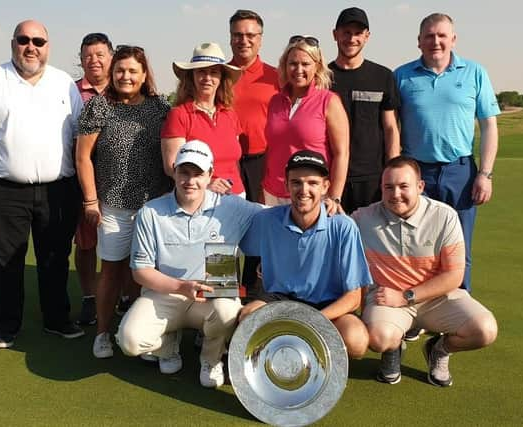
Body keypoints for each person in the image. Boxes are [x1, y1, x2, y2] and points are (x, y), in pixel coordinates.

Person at [0, 20, 85, 348]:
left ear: (47, 46)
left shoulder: (64, 83)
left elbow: (81, 135)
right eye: (24, 40)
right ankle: (7, 325)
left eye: (38, 41)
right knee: (6, 259)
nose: (31, 46)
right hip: (2, 190)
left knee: (55, 258)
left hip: (58, 189)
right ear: (13, 43)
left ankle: (57, 320)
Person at [116, 140, 263, 388]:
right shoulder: (151, 212)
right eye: (184, 172)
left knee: (228, 311)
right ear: (174, 171)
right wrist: (181, 286)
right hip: (165, 294)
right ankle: (166, 346)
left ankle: (211, 359)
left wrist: (320, 205)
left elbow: (275, 215)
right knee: (130, 341)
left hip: (211, 296)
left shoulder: (232, 206)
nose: (190, 181)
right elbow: (140, 271)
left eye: (198, 174)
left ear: (210, 176)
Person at [352, 156, 498, 386]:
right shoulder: (363, 218)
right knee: (380, 338)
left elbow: (454, 276)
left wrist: (406, 296)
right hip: (387, 299)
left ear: (420, 187)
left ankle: (438, 350)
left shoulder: (444, 215)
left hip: (436, 297)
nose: (395, 194)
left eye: (403, 186)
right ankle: (393, 347)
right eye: (388, 187)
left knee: (485, 330)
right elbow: (334, 227)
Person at [75, 45, 172, 359]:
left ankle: (145, 336)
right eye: (120, 70)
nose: (125, 76)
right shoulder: (99, 107)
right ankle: (103, 332)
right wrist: (91, 201)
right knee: (112, 271)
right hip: (114, 206)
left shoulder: (160, 108)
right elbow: (83, 157)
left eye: (132, 71)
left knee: (148, 273)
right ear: (112, 73)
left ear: (144, 75)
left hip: (154, 206)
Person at [394, 13, 500, 292]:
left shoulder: (475, 72)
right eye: (429, 36)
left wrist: (485, 174)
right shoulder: (402, 76)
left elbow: (489, 126)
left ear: (453, 39)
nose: (436, 41)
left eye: (442, 35)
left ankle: (458, 313)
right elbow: (391, 126)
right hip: (416, 172)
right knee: (416, 247)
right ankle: (416, 308)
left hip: (460, 171)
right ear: (419, 42)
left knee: (459, 248)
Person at [239, 150, 370, 359]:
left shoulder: (343, 226)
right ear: (286, 185)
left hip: (327, 305)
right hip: (280, 298)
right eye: (296, 182)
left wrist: (311, 320)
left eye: (312, 183)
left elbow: (354, 298)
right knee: (248, 317)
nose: (304, 190)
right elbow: (226, 233)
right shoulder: (266, 219)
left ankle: (312, 358)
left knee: (356, 341)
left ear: (325, 186)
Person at [227, 9, 279, 298]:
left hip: (264, 162)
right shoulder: (221, 74)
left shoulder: (276, 76)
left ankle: (254, 297)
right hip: (226, 164)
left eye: (250, 35)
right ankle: (221, 300)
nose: (243, 40)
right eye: (238, 35)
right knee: (223, 234)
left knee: (260, 231)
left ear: (260, 39)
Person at [263, 35, 349, 209]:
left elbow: (342, 153)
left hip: (310, 194)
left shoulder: (329, 101)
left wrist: (335, 197)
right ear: (285, 66)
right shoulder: (275, 102)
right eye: (293, 63)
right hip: (273, 195)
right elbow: (273, 149)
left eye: (305, 64)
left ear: (317, 66)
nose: (298, 69)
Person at [329, 7, 400, 213]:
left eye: (358, 33)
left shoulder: (383, 76)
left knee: (372, 243)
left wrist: (392, 172)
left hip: (372, 179)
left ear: (367, 36)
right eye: (346, 32)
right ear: (335, 35)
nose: (352, 38)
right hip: (331, 178)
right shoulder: (322, 77)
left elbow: (390, 129)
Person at [161, 42, 245, 197]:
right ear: (191, 76)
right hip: (200, 198)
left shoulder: (230, 115)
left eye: (214, 72)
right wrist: (207, 184)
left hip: (237, 196)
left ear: (221, 78)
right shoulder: (179, 115)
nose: (207, 78)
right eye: (201, 72)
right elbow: (171, 166)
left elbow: (235, 163)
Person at [73, 32, 114, 326]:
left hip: (120, 180)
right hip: (81, 178)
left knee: (122, 242)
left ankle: (123, 295)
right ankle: (89, 296)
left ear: (111, 56)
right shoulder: (71, 90)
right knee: (86, 242)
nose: (94, 60)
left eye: (100, 54)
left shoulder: (125, 86)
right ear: (81, 59)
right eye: (88, 55)